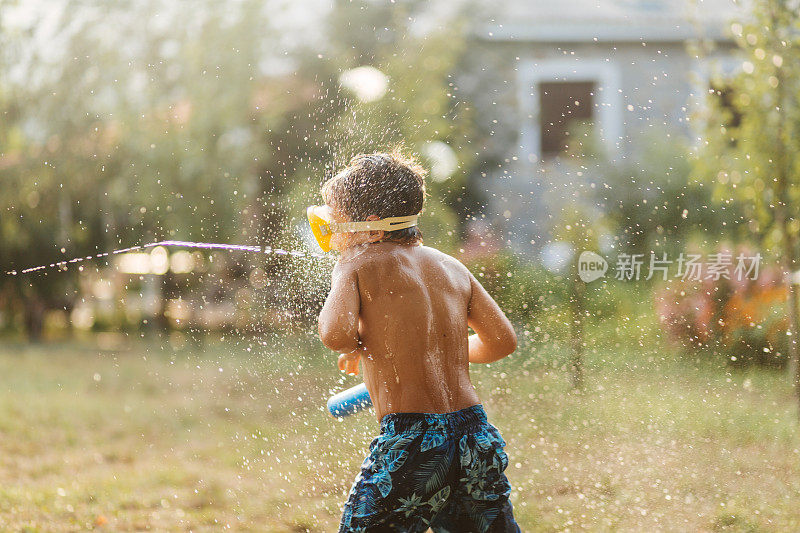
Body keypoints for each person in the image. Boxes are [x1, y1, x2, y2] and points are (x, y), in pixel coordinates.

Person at [313, 152, 520, 532]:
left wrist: (344, 273)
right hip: (474, 436)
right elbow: (502, 341)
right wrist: (436, 354)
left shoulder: (357, 264)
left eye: (335, 218)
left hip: (415, 442)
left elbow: (334, 334)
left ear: (371, 228)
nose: (330, 229)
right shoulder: (451, 265)